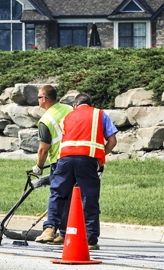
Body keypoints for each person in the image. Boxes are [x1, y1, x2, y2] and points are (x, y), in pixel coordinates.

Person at [35, 93, 118, 250]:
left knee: (58, 194)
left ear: (75, 105)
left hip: (65, 159)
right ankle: (90, 238)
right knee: (89, 197)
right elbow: (112, 141)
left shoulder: (67, 117)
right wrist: (99, 155)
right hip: (87, 161)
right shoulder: (99, 114)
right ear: (90, 104)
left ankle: (49, 228)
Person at [31, 84, 72, 244]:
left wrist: (39, 166)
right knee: (69, 197)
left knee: (57, 194)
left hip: (60, 160)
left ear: (45, 99)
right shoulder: (69, 109)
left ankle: (49, 230)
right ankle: (63, 232)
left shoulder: (45, 121)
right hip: (76, 157)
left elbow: (43, 149)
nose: (38, 100)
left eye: (39, 97)